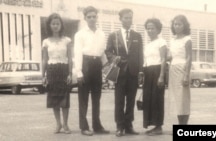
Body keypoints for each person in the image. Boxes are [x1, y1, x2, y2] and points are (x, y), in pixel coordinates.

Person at [105, 8, 143, 137]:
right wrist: (113, 58)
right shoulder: (113, 35)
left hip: (133, 72)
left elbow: (140, 55)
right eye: (126, 18)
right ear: (120, 19)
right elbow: (108, 51)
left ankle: (129, 126)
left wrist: (141, 72)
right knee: (119, 100)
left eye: (130, 18)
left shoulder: (137, 36)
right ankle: (119, 126)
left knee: (131, 100)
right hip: (120, 72)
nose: (128, 20)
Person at [74, 6, 109, 136]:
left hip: (97, 65)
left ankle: (97, 125)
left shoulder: (101, 33)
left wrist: (107, 69)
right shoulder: (80, 34)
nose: (92, 19)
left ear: (97, 17)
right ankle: (84, 127)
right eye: (89, 17)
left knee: (96, 97)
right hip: (85, 64)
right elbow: (77, 53)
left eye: (94, 16)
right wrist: (78, 71)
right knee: (83, 98)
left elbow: (102, 53)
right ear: (85, 18)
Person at [42, 13, 72, 134]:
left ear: (61, 25)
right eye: (53, 23)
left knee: (65, 99)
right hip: (52, 71)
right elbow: (44, 59)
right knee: (54, 99)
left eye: (57, 23)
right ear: (49, 25)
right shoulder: (46, 42)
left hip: (64, 70)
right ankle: (58, 124)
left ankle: (65, 124)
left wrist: (70, 73)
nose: (55, 26)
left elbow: (70, 58)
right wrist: (43, 75)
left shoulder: (67, 40)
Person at [142, 18, 166, 135]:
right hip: (148, 71)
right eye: (148, 28)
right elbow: (146, 60)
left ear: (158, 29)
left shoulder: (161, 42)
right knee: (148, 99)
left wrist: (161, 76)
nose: (150, 30)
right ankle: (153, 125)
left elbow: (163, 60)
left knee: (157, 99)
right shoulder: (147, 45)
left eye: (153, 28)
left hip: (157, 71)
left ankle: (159, 127)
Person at [168, 15, 192, 125]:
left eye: (179, 24)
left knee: (183, 99)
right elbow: (170, 56)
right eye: (175, 24)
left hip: (182, 69)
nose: (177, 26)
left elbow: (189, 57)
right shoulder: (172, 40)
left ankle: (184, 125)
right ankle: (179, 124)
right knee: (176, 99)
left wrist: (186, 75)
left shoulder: (187, 39)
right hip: (173, 69)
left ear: (184, 26)